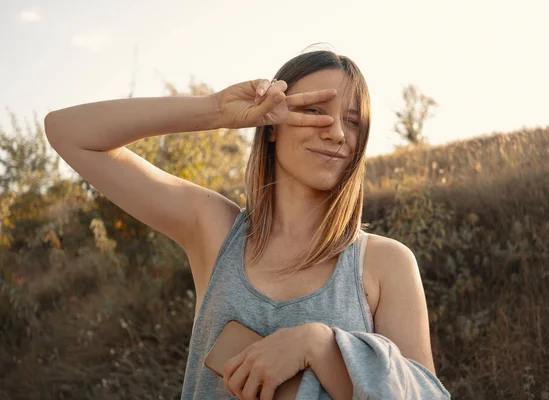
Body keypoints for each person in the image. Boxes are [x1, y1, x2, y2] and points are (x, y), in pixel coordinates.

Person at [44, 49, 444, 399]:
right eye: (315, 111)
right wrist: (216, 111)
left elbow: (422, 395)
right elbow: (68, 132)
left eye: (354, 121)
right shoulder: (214, 230)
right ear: (270, 127)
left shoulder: (385, 264)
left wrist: (319, 346)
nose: (338, 132)